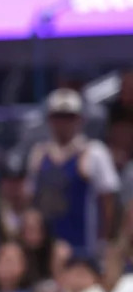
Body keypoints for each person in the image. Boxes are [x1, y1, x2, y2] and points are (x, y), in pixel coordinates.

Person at [27, 88, 120, 253]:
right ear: (49, 119)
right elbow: (32, 199)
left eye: (69, 117)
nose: (63, 123)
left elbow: (108, 202)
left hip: (83, 245)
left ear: (80, 120)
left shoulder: (94, 152)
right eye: (58, 117)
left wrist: (104, 241)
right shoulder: (38, 154)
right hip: (46, 247)